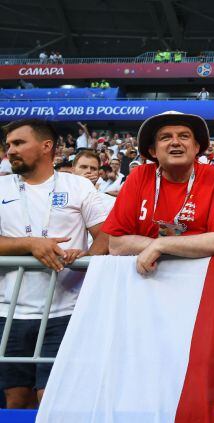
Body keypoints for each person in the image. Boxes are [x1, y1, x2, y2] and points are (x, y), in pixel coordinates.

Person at [0, 119, 110, 408]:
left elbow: (106, 236)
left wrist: (87, 257)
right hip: (10, 312)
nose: (10, 150)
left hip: (66, 311)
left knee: (52, 399)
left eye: (19, 143)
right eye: (8, 144)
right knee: (16, 399)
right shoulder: (1, 187)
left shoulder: (79, 186)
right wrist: (30, 244)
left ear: (46, 146)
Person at [101, 111, 214, 276]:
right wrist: (168, 244)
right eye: (165, 137)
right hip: (146, 279)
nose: (175, 142)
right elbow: (116, 244)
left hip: (201, 282)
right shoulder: (139, 176)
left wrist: (161, 245)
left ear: (196, 147)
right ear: (153, 151)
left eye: (184, 136)